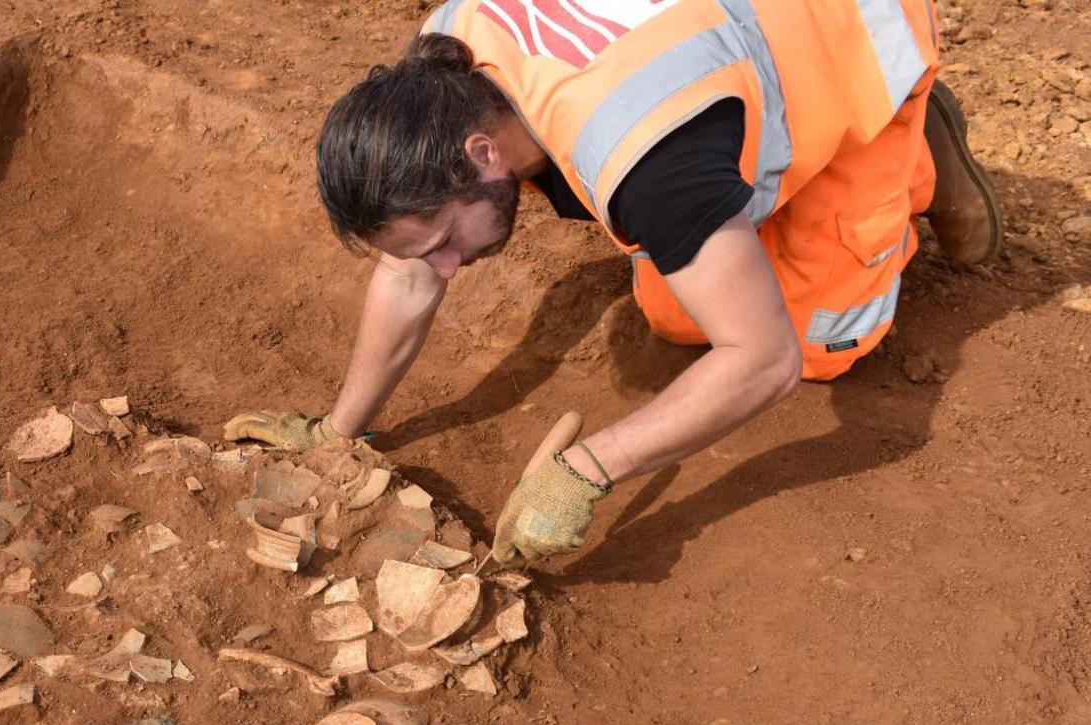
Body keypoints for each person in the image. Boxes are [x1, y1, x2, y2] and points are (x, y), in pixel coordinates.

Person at [223, 0, 1000, 567]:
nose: (447, 267)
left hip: (852, 34)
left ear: (482, 151)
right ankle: (739, 192)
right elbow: (410, 267)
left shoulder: (642, 156)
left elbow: (764, 361)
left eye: (442, 242)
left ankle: (911, 142)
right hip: (718, 55)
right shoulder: (443, 60)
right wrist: (339, 429)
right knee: (672, 309)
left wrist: (584, 472)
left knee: (818, 338)